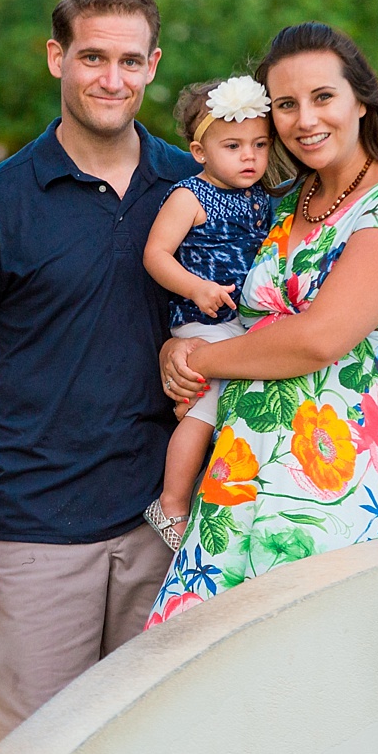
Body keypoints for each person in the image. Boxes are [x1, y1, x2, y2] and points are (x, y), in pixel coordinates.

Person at [0, 0, 200, 742]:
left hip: (168, 531)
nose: (113, 79)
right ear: (56, 58)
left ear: (154, 65)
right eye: (93, 58)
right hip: (35, 532)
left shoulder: (199, 188)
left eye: (131, 61)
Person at [149, 22, 378, 628]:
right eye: (286, 104)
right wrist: (173, 351)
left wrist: (196, 361)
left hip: (344, 491)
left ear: (360, 101)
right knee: (215, 694)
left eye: (323, 97)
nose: (305, 119)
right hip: (237, 484)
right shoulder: (278, 202)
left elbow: (319, 339)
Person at [141, 76, 277, 548]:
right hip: (203, 320)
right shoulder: (189, 196)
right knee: (206, 406)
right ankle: (172, 502)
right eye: (234, 145)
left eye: (260, 145)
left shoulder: (261, 199)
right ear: (200, 151)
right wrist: (196, 288)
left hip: (240, 322)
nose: (249, 157)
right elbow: (156, 254)